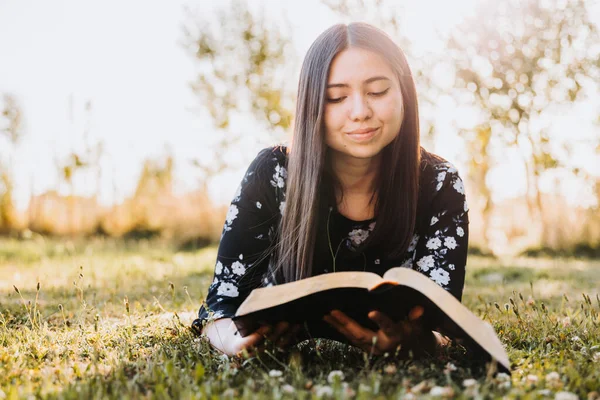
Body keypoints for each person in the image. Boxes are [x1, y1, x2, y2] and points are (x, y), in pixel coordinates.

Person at [191, 22, 469, 358]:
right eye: (336, 97)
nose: (360, 112)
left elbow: (443, 323)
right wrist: (235, 344)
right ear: (312, 105)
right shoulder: (272, 173)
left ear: (405, 94)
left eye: (378, 92)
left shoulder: (440, 182)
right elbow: (220, 307)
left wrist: (411, 343)